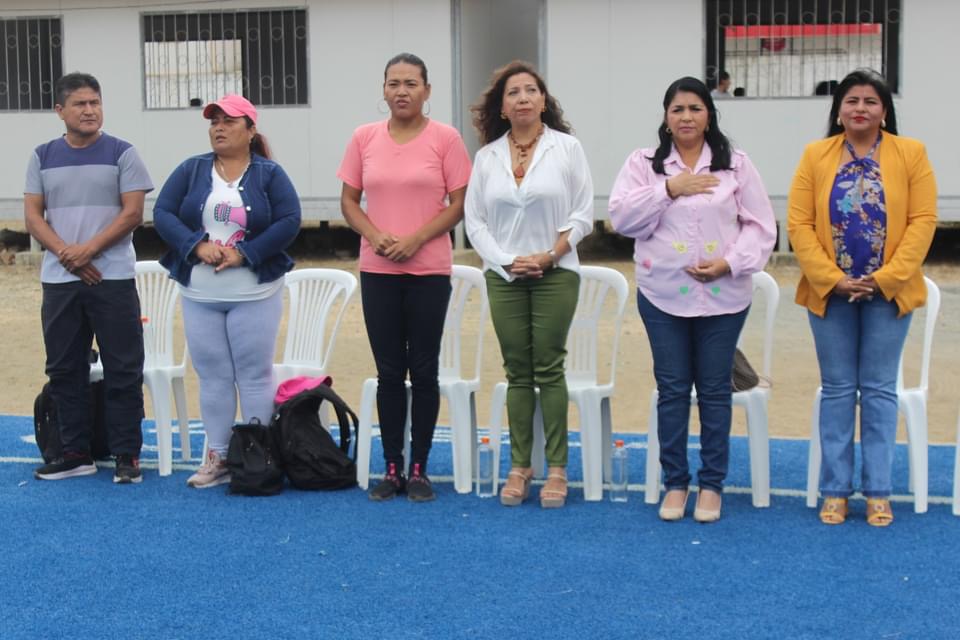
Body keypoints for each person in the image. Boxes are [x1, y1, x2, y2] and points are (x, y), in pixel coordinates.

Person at [608, 76, 776, 522]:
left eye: (695, 109)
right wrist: (668, 189)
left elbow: (761, 226)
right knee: (673, 389)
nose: (686, 117)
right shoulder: (644, 164)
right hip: (661, 296)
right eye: (677, 109)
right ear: (666, 117)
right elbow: (623, 219)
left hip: (724, 297)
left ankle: (712, 484)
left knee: (716, 391)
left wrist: (729, 263)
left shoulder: (735, 165)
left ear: (709, 115)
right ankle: (676, 482)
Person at [787, 69, 937, 527]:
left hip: (887, 294)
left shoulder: (911, 153)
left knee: (877, 390)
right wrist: (832, 279)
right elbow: (799, 225)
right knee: (836, 390)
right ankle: (835, 490)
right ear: (838, 111)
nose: (860, 109)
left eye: (870, 101)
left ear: (884, 111)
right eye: (851, 101)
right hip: (831, 294)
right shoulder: (815, 155)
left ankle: (878, 491)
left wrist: (885, 278)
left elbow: (923, 221)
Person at [337, 53, 471, 502]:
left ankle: (419, 467)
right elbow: (349, 201)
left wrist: (416, 239)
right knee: (390, 372)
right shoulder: (364, 137)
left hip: (428, 270)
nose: (401, 91)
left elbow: (458, 204)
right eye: (393, 83)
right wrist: (375, 235)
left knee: (425, 370)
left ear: (427, 91)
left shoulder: (446, 139)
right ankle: (392, 466)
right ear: (383, 89)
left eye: (411, 83)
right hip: (379, 270)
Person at [154, 94, 301, 488]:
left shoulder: (270, 173)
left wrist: (246, 254)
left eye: (229, 121)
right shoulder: (191, 169)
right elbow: (162, 213)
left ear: (251, 130)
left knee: (253, 375)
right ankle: (218, 456)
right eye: (214, 121)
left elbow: (290, 219)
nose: (219, 127)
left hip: (254, 293)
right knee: (212, 376)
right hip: (200, 295)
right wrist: (196, 246)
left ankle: (257, 456)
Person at [465, 61, 593, 509]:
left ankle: (557, 468)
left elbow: (582, 214)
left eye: (531, 90)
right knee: (517, 370)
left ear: (543, 101)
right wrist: (506, 261)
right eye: (513, 92)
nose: (523, 98)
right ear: (502, 107)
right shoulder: (486, 158)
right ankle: (520, 466)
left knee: (549, 367)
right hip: (504, 277)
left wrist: (550, 255)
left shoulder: (568, 149)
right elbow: (475, 223)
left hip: (556, 272)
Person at [24, 72, 154, 483]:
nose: (89, 111)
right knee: (64, 368)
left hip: (112, 278)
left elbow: (132, 213)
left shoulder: (123, 153)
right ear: (60, 111)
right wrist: (68, 254)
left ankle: (127, 455)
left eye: (95, 103)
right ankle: (74, 453)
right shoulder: (42, 156)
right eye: (80, 104)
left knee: (123, 367)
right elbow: (33, 217)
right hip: (60, 280)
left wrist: (88, 250)